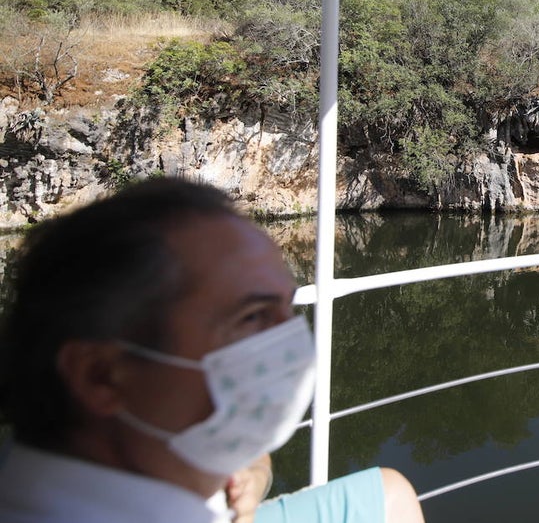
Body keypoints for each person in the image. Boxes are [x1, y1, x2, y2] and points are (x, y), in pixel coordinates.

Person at [0, 177, 424, 523]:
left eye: (288, 310)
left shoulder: (165, 446)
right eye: (253, 316)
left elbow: (245, 452)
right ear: (101, 375)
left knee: (390, 494)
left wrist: (253, 472)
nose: (292, 343)